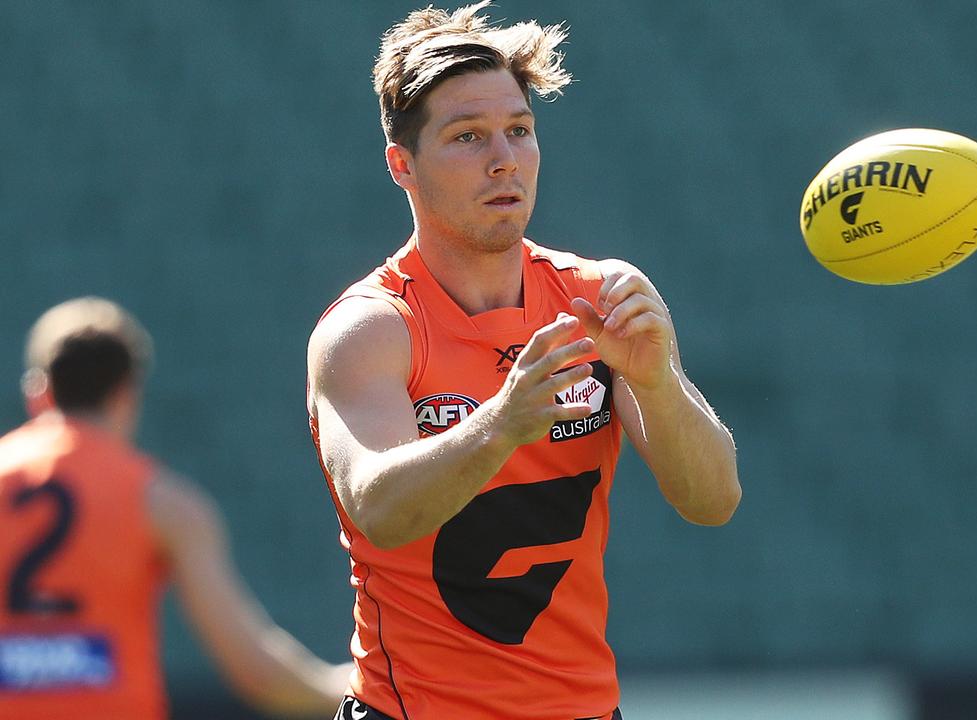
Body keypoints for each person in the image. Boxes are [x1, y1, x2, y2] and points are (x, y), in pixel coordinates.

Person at [306, 3, 741, 719]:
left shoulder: (596, 300)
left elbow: (713, 500)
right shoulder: (372, 328)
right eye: (467, 136)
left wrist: (659, 384)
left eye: (519, 130)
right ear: (402, 166)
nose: (504, 158)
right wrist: (503, 421)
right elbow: (380, 508)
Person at [0, 297, 350, 720]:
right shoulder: (163, 503)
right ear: (126, 394)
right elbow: (257, 672)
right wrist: (346, 691)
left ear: (40, 393)